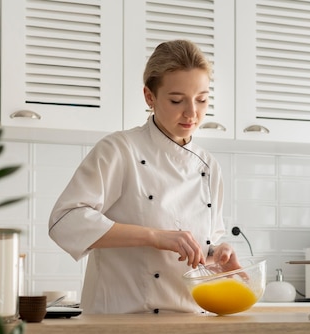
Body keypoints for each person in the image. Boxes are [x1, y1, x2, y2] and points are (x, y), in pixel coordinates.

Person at [48, 39, 241, 314]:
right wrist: (153, 236)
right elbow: (65, 221)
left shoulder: (209, 166)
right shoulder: (119, 150)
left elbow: (194, 252)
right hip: (121, 323)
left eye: (201, 99)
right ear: (149, 97)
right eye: (177, 100)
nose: (192, 113)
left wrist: (215, 256)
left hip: (192, 322)